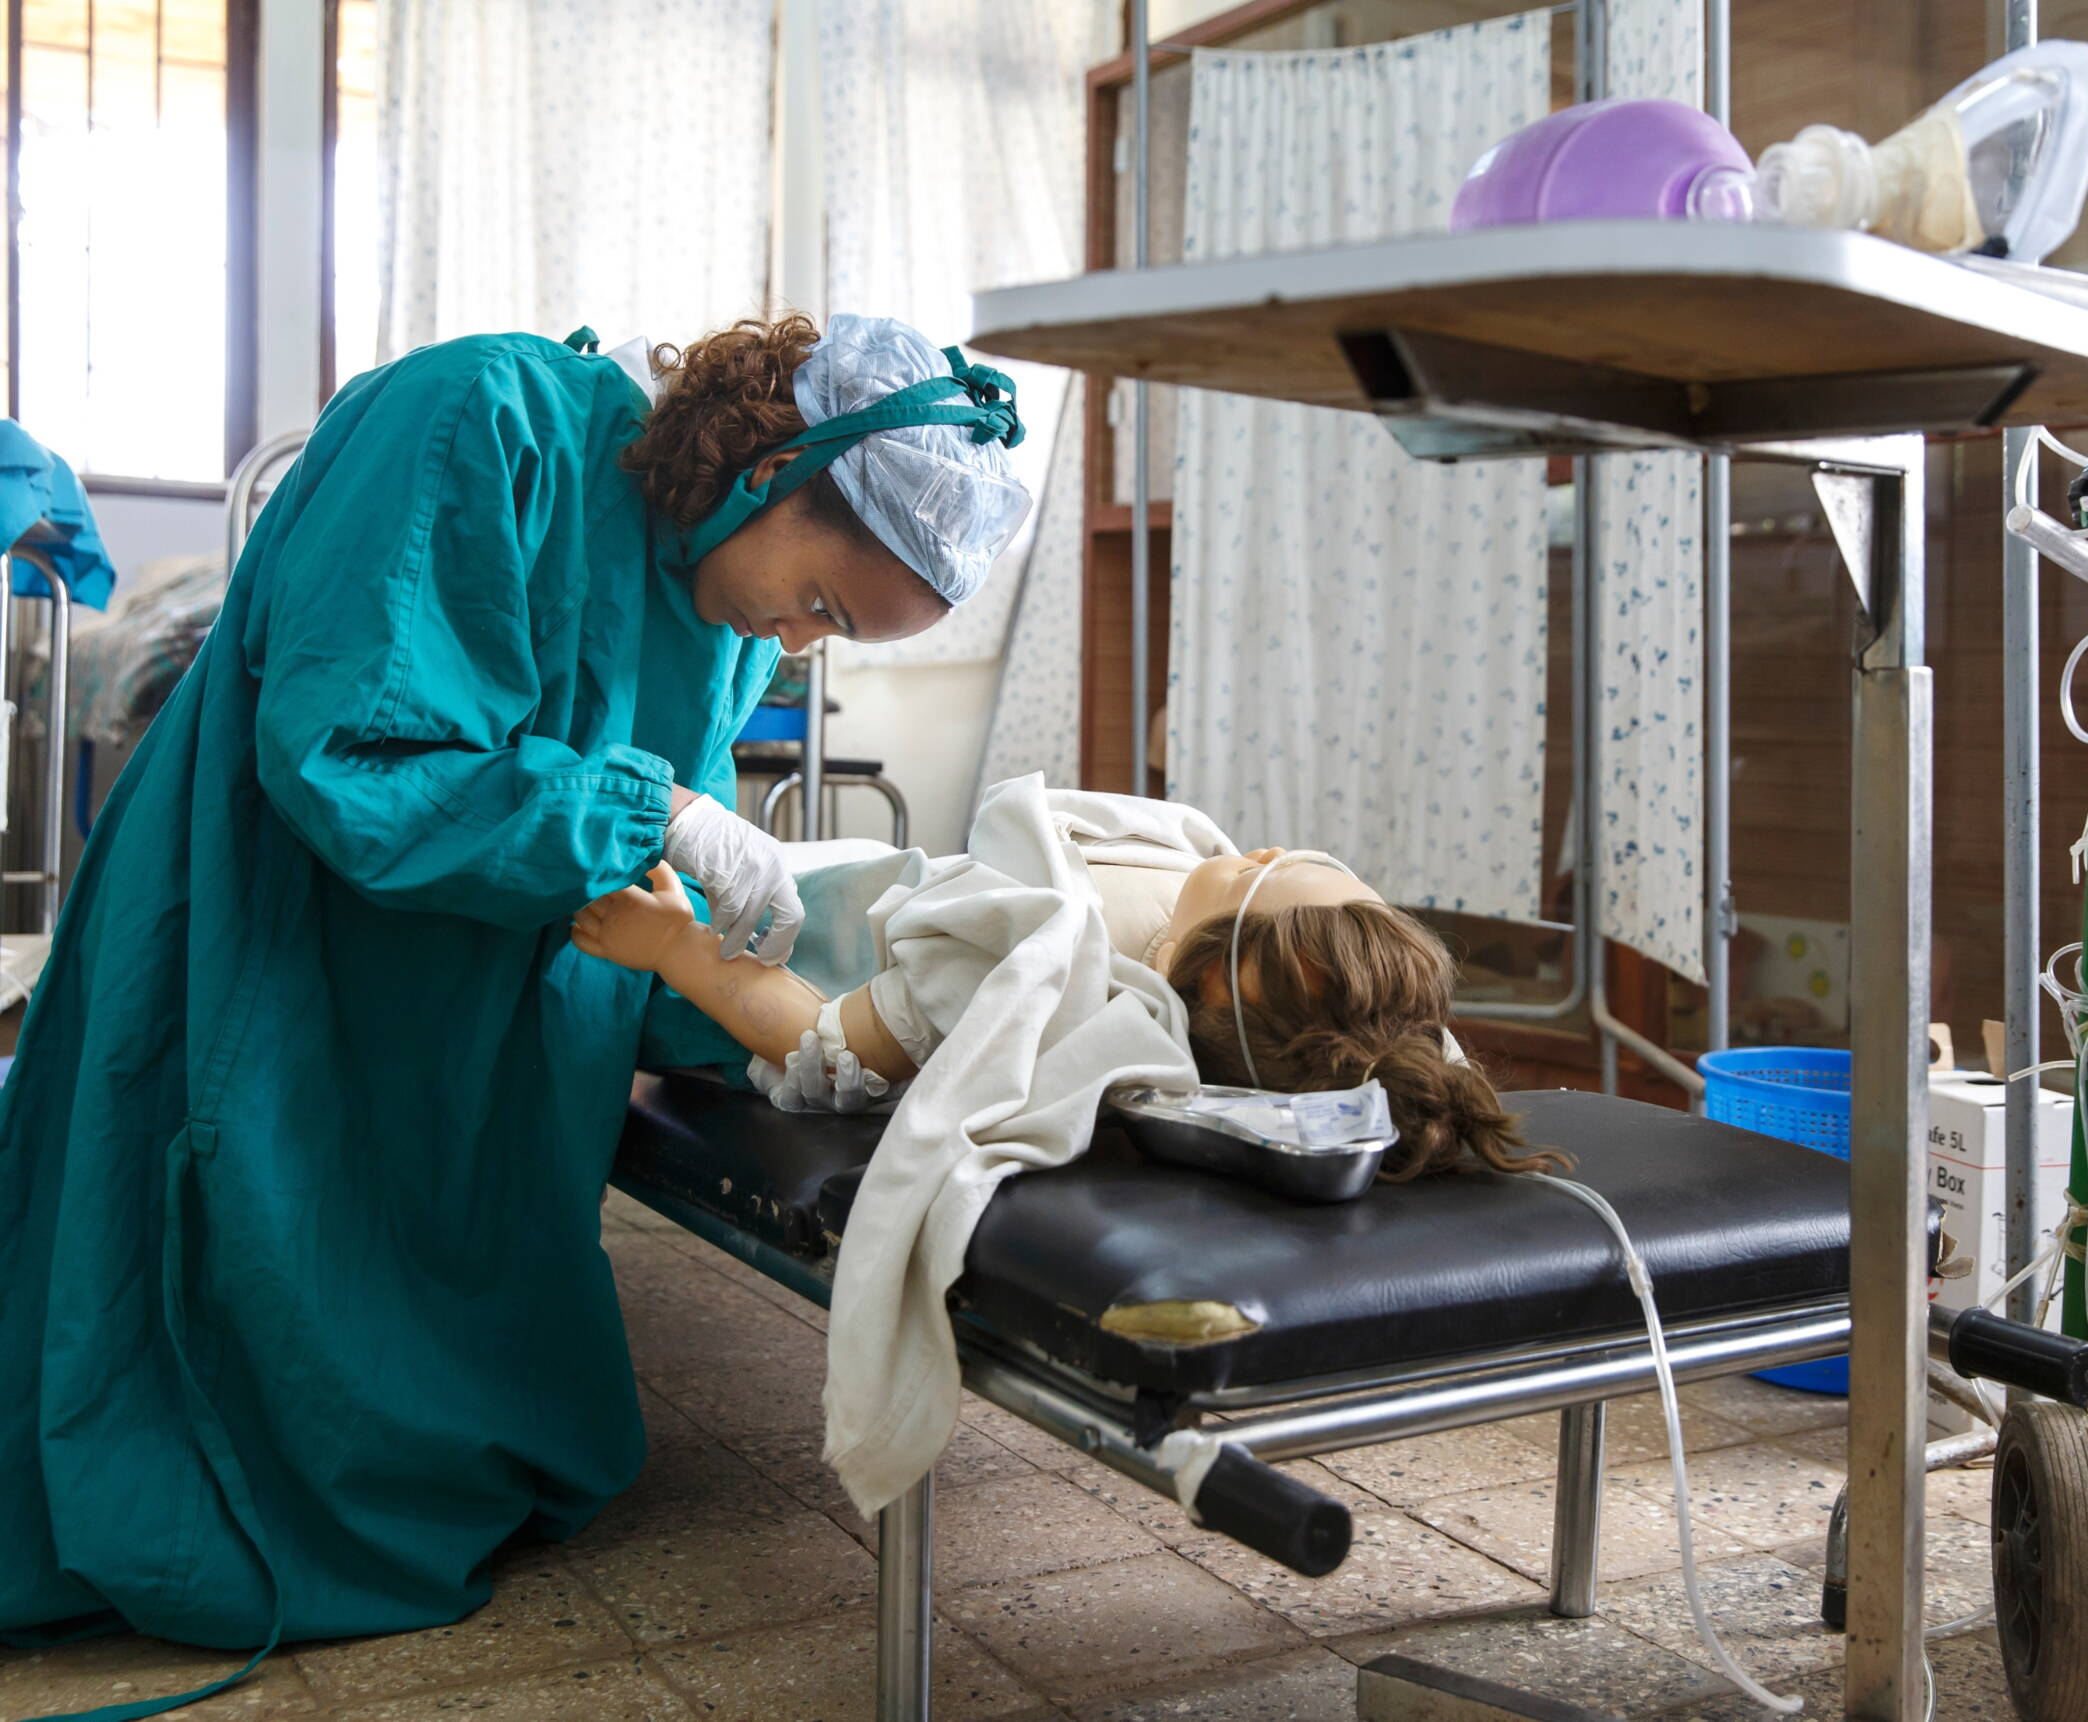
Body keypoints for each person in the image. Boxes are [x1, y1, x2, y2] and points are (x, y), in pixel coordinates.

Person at [0, 311, 1029, 1681]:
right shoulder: (482, 419)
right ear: (769, 462)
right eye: (823, 603)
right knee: (236, 1270)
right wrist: (645, 805)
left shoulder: (724, 599)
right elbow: (350, 761)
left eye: (832, 638)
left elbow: (650, 874)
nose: (794, 644)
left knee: (484, 1339)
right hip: (285, 928)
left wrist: (752, 986)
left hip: (486, 980)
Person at [572, 789, 1559, 1181]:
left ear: (1207, 970)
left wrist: (674, 950)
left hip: (743, 958)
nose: (1265, 847)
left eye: (1263, 866)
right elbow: (1400, 1044)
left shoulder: (1040, 963)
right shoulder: (1271, 970)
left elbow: (818, 1044)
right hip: (844, 876)